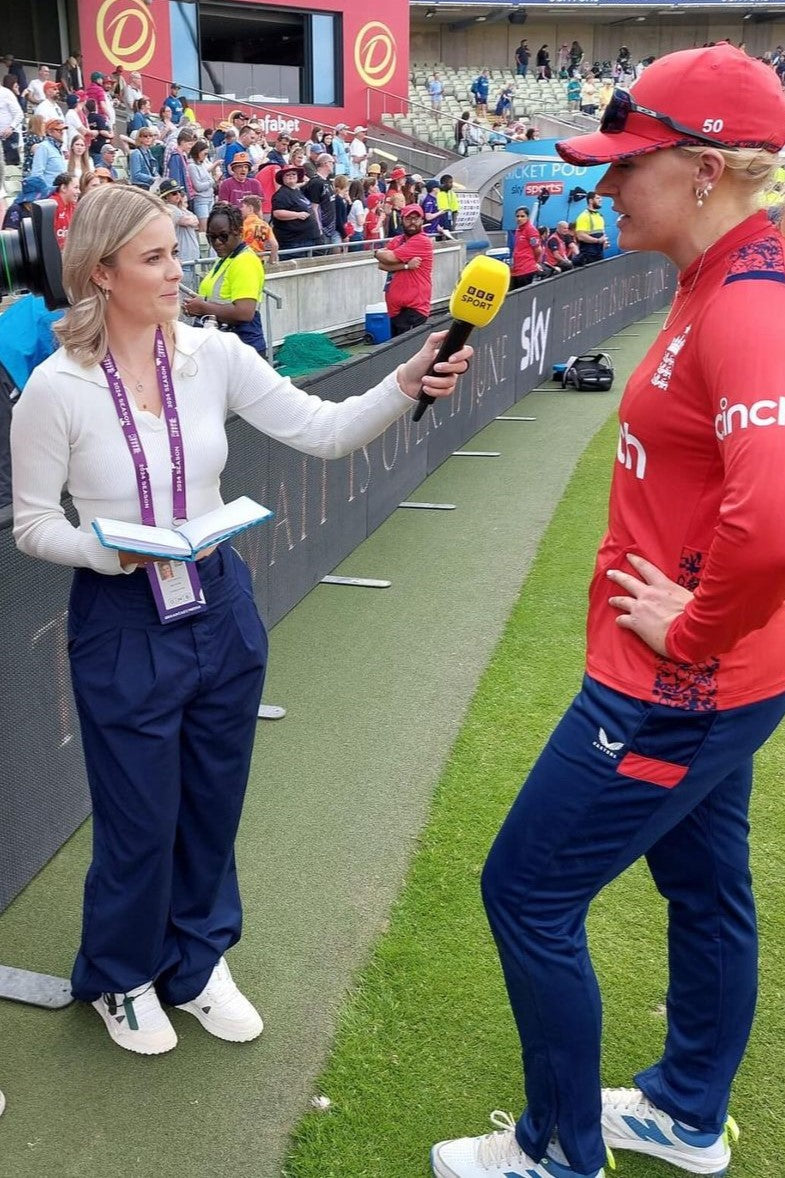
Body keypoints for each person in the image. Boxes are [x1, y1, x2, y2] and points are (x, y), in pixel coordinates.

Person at [430, 43, 785, 1178]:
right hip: (725, 678)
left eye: (624, 164)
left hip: (676, 682)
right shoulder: (724, 273)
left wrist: (687, 625)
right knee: (704, 884)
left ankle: (555, 1149)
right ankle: (684, 1112)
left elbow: (771, 512)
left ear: (701, 169)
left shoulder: (744, 297)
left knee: (524, 891)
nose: (599, 186)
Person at [11, 186, 471, 1056]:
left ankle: (196, 961)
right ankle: (121, 974)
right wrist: (112, 556)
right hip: (121, 613)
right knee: (138, 814)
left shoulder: (214, 356)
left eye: (174, 253)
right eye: (153, 259)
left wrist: (404, 380)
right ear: (100, 273)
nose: (176, 271)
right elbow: (33, 522)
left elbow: (325, 431)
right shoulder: (54, 387)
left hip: (220, 601)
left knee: (214, 802)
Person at [375, 204, 433, 336]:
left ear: (422, 221)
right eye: (408, 219)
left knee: (408, 352)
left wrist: (380, 253)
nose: (412, 222)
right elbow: (382, 264)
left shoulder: (422, 241)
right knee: (398, 351)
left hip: (414, 308)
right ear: (402, 220)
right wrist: (406, 265)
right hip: (396, 310)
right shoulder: (398, 240)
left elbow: (389, 257)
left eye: (416, 219)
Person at [270, 163, 321, 257]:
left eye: (293, 174)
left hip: (306, 240)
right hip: (293, 243)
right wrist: (297, 215)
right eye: (287, 175)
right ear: (282, 178)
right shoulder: (281, 194)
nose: (291, 176)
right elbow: (277, 213)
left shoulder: (297, 191)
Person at [159, 177, 201, 281]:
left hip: (190, 258)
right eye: (174, 193)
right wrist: (190, 218)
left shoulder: (180, 209)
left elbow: (196, 221)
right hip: (182, 258)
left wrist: (184, 211)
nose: (178, 195)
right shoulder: (170, 208)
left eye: (179, 192)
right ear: (165, 197)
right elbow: (188, 221)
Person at [304, 153, 340, 248]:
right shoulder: (316, 183)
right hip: (322, 229)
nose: (333, 165)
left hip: (331, 228)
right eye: (332, 162)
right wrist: (318, 228)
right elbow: (313, 207)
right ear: (325, 163)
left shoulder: (327, 182)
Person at [188, 138, 222, 229]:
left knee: (210, 227)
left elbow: (206, 174)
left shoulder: (201, 164)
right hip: (201, 200)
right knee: (203, 228)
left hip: (209, 197)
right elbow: (198, 186)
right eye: (205, 154)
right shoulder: (192, 166)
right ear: (198, 152)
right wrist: (213, 180)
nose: (206, 156)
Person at [508, 206, 542, 288]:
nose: (519, 218)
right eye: (517, 216)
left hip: (526, 269)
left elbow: (538, 250)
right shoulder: (518, 230)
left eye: (522, 216)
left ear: (527, 217)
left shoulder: (531, 230)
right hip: (517, 268)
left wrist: (534, 262)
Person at [240, 194, 278, 263]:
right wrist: (271, 260)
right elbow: (275, 245)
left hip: (244, 261)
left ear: (250, 208)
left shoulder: (243, 225)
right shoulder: (264, 225)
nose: (241, 209)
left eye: (243, 206)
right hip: (259, 261)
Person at [31, 118, 67, 189]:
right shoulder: (43, 147)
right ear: (50, 132)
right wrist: (44, 192)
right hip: (49, 192)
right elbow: (37, 174)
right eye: (58, 130)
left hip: (59, 191)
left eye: (63, 130)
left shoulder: (58, 148)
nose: (62, 132)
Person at [574, 190, 609, 264]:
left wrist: (604, 242)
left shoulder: (599, 216)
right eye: (598, 198)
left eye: (600, 198)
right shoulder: (583, 216)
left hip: (599, 253)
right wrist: (598, 241)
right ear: (590, 201)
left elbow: (602, 233)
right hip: (588, 255)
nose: (600, 200)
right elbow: (580, 236)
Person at [50, 172, 79, 249]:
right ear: (63, 188)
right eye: (76, 188)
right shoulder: (51, 206)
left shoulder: (73, 205)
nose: (79, 191)